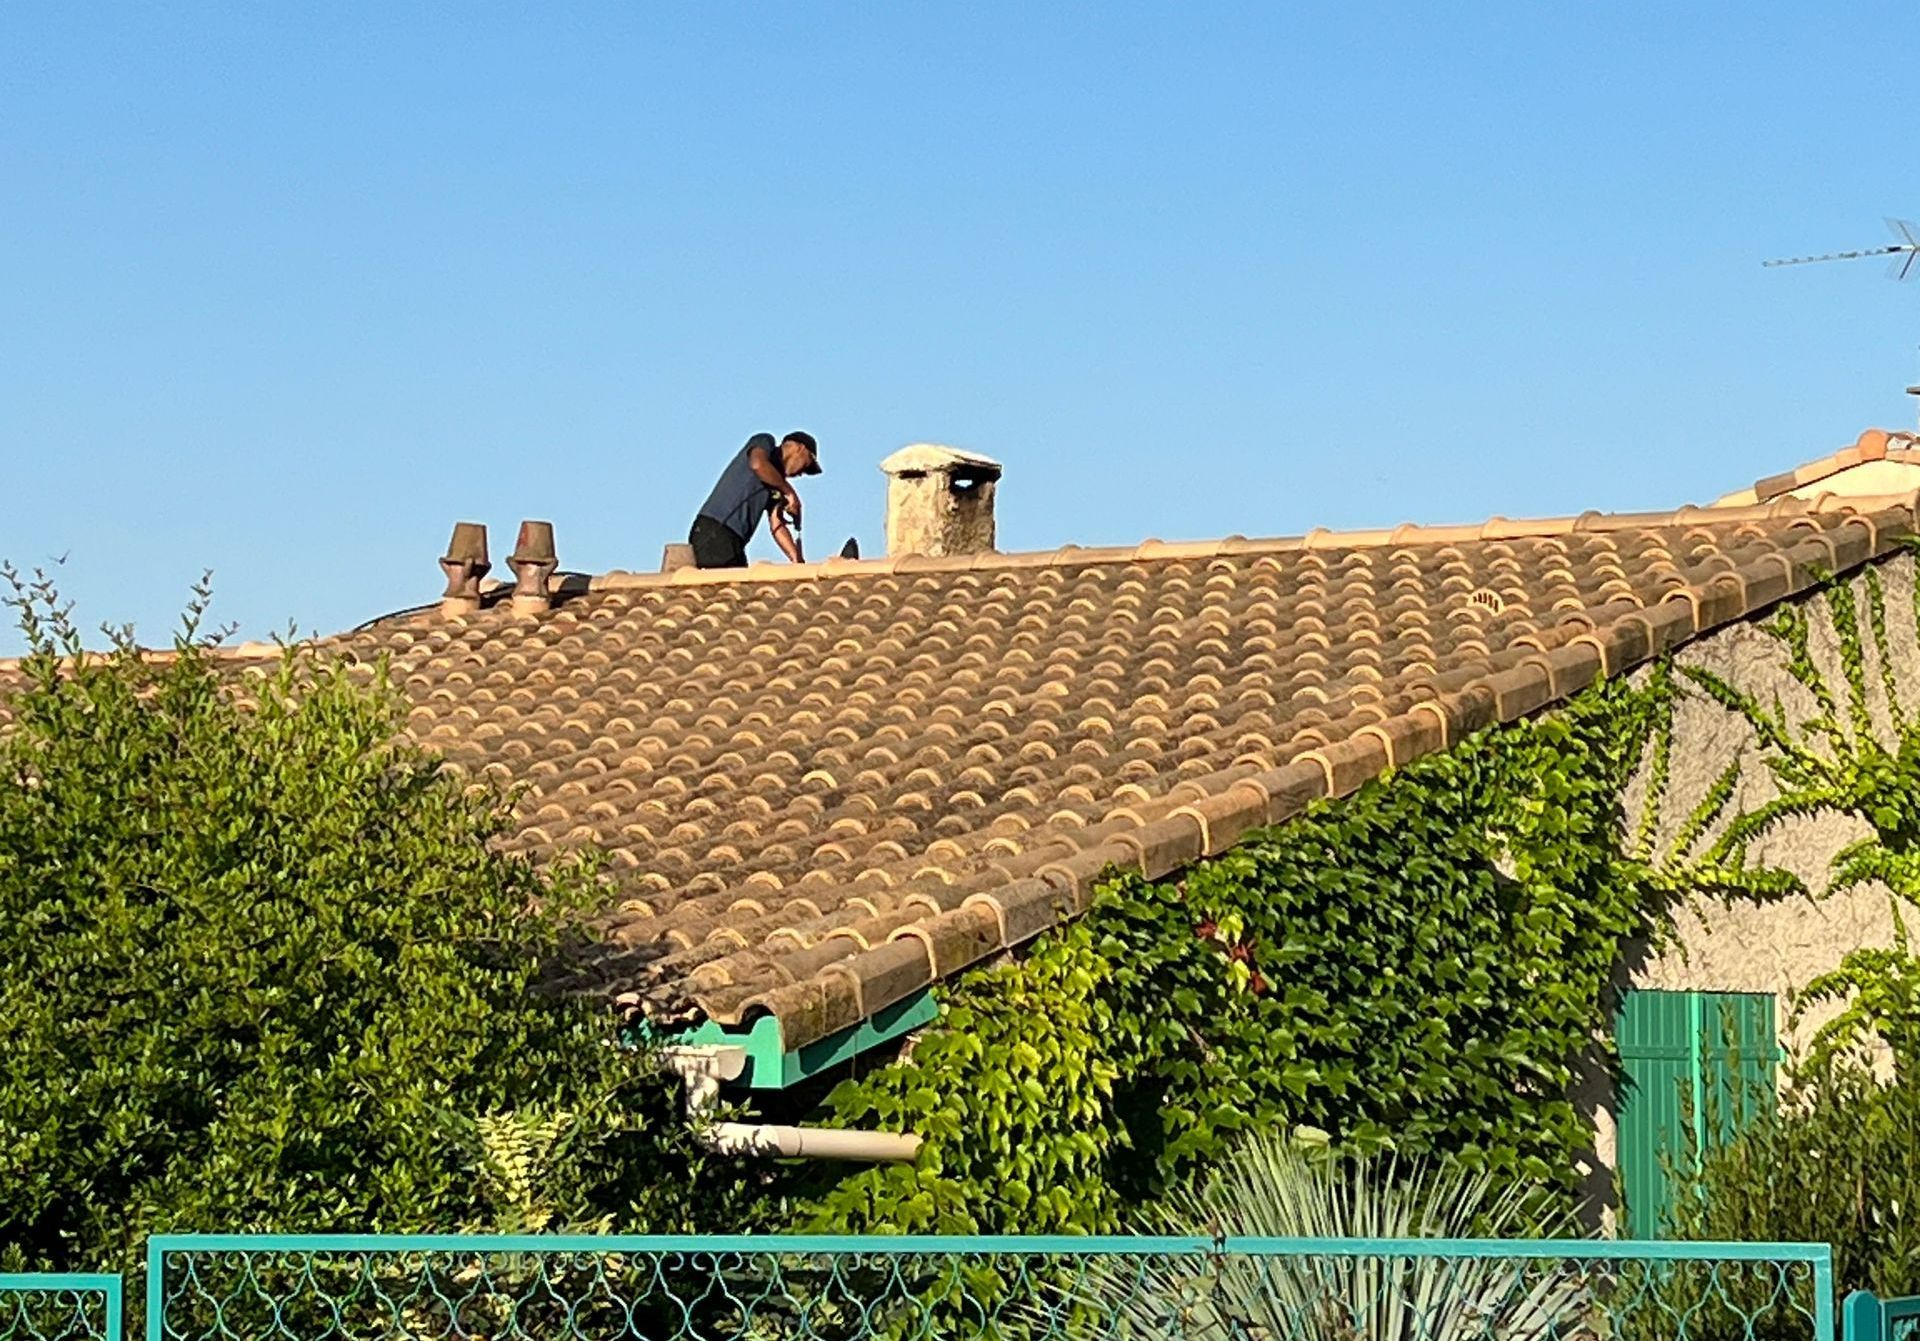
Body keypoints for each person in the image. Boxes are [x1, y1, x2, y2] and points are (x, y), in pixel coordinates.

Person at [689, 431, 821, 569]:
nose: (802, 473)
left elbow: (777, 524)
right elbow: (757, 464)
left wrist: (796, 559)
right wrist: (789, 491)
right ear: (801, 448)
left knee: (744, 587)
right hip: (715, 530)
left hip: (734, 541)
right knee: (731, 587)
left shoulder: (776, 483)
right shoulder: (764, 441)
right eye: (807, 465)